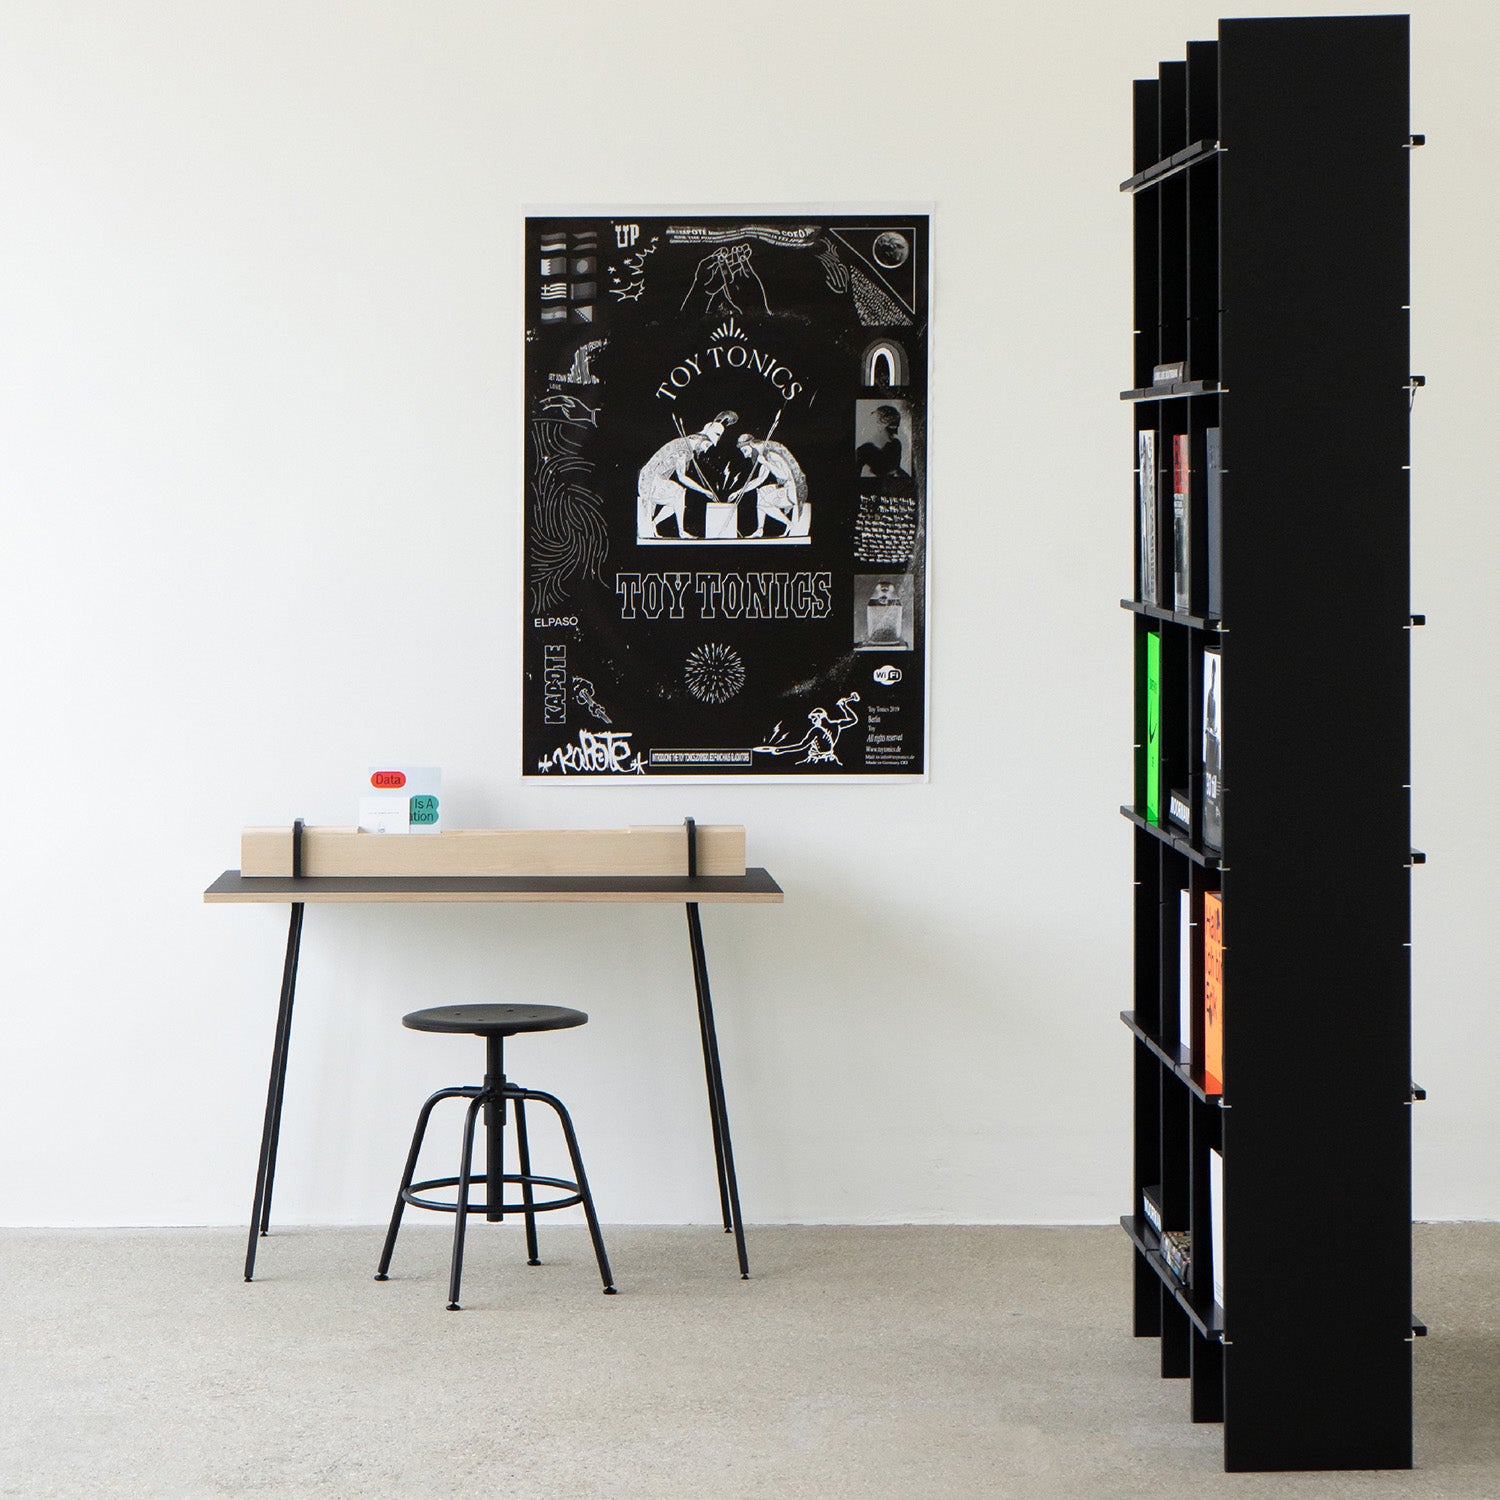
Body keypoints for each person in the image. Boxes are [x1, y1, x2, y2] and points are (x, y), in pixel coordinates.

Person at [729, 432, 809, 538]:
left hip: (795, 491)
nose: (745, 455)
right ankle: (760, 530)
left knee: (763, 504)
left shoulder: (772, 454)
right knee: (761, 492)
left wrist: (766, 463)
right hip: (788, 489)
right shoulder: (765, 455)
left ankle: (790, 524)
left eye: (745, 450)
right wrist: (738, 492)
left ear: (752, 445)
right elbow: (759, 479)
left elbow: (784, 475)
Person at [637, 431, 715, 538]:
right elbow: (682, 477)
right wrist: (703, 490)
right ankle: (681, 532)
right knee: (679, 492)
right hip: (649, 480)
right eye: (706, 445)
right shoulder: (683, 450)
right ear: (699, 439)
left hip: (651, 479)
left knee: (676, 501)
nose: (705, 450)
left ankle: (654, 524)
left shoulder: (684, 446)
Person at [857, 404, 906, 478]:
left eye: (897, 427)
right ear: (879, 426)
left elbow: (897, 469)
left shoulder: (896, 444)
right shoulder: (863, 451)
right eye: (891, 427)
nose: (896, 432)